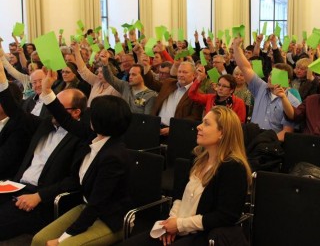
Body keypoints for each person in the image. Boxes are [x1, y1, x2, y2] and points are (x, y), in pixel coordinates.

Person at [120, 106, 251, 246]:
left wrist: (180, 225)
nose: (199, 127)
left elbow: (226, 216)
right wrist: (172, 221)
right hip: (179, 227)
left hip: (203, 234)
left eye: (206, 123)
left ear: (222, 133)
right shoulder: (197, 157)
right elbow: (179, 194)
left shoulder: (234, 168)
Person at [31, 70, 132, 246]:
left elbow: (98, 204)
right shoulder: (94, 136)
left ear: (101, 119)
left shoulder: (113, 156)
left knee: (58, 245)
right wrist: (47, 90)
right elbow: (65, 119)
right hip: (87, 207)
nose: (87, 115)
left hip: (108, 217)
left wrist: (63, 238)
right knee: (39, 240)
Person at [0, 66, 86, 240]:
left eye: (58, 107)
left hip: (41, 199)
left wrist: (39, 196)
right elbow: (15, 111)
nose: (52, 110)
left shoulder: (82, 138)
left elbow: (74, 180)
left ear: (76, 113)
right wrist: (2, 79)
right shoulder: (44, 125)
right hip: (17, 187)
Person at [232, 37, 300, 141]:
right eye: (270, 74)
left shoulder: (293, 102)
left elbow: (287, 131)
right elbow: (245, 67)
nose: (269, 78)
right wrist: (236, 47)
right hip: (252, 140)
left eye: (275, 76)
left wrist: (264, 141)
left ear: (287, 81)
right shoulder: (261, 87)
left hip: (273, 145)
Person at [145, 61, 203, 136]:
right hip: (155, 127)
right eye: (179, 72)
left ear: (194, 75)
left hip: (176, 133)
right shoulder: (169, 83)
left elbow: (194, 118)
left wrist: (174, 128)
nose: (181, 75)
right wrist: (146, 66)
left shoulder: (198, 93)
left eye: (185, 72)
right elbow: (151, 83)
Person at [100, 49, 157, 114]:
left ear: (142, 76)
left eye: (134, 74)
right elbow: (110, 78)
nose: (130, 77)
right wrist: (105, 64)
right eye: (130, 74)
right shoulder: (125, 86)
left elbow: (147, 119)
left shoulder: (150, 96)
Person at [71, 42, 121, 107]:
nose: (99, 75)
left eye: (102, 72)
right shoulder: (97, 81)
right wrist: (76, 51)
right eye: (98, 72)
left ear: (110, 72)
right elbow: (83, 70)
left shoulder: (115, 88)